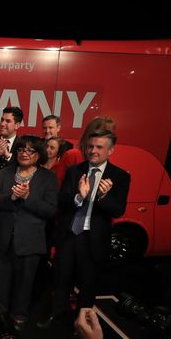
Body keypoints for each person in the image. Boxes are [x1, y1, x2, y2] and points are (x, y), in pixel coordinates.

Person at [44, 129, 130, 328]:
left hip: (94, 239)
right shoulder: (75, 171)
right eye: (90, 146)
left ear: (111, 150)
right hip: (69, 236)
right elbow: (62, 201)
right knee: (61, 278)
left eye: (99, 147)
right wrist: (79, 196)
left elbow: (118, 210)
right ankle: (56, 313)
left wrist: (102, 197)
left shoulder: (120, 176)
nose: (93, 151)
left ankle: (81, 326)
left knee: (88, 285)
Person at [0, 136, 58, 329]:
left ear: (39, 154)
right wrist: (11, 197)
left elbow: (50, 210)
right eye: (21, 150)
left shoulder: (48, 178)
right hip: (2, 236)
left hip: (30, 239)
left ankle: (19, 313)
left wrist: (27, 197)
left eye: (30, 151)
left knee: (25, 281)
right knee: (1, 276)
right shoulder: (5, 173)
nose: (24, 154)